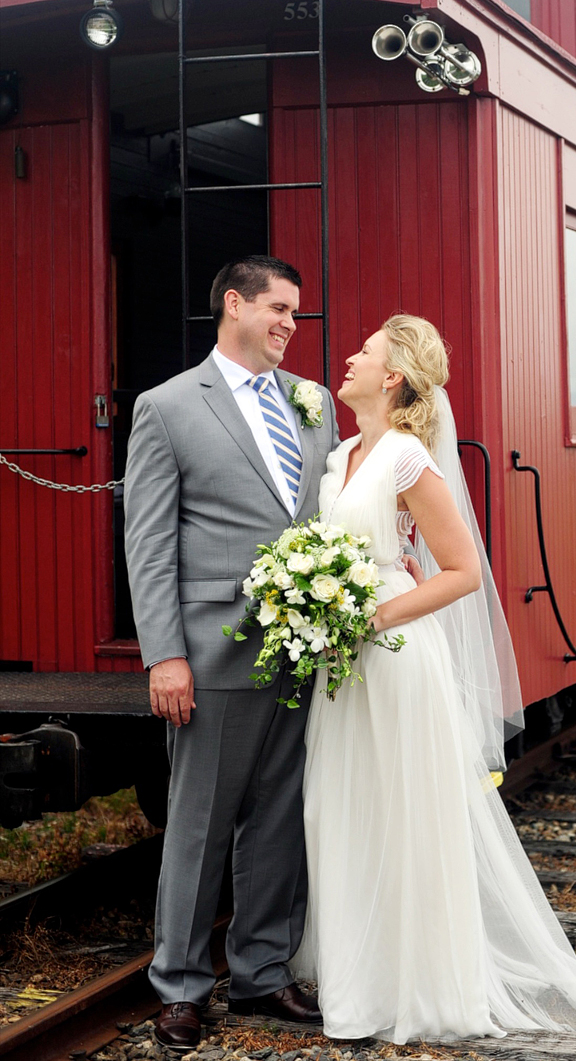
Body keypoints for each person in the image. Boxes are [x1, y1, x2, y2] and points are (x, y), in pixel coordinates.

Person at [291, 314, 576, 1043]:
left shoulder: (408, 459)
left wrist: (378, 614)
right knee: (337, 810)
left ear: (393, 376)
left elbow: (465, 572)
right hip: (342, 663)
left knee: (404, 817)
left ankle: (420, 989)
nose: (348, 357)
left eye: (364, 352)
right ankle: (354, 985)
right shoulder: (341, 452)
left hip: (396, 658)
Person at [124, 255, 340, 1050]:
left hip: (303, 650)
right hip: (209, 654)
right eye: (279, 308)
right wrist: (164, 654)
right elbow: (147, 542)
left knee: (282, 817)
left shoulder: (311, 406)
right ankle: (178, 985)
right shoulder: (169, 406)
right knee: (199, 820)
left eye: (296, 313)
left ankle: (260, 972)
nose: (290, 323)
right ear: (235, 304)